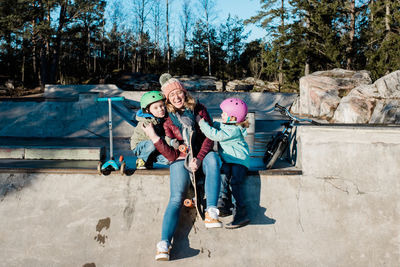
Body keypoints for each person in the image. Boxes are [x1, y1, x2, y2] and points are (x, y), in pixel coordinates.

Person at [141, 74, 222, 261]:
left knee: (213, 160)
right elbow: (170, 154)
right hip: (181, 158)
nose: (177, 97)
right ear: (167, 99)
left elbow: (209, 136)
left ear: (184, 93)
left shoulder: (199, 109)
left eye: (179, 93)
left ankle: (211, 211)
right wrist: (155, 138)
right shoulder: (167, 119)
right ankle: (163, 243)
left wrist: (199, 159)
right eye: (172, 95)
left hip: (203, 153)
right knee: (176, 197)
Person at [196, 97, 251, 229]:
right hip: (229, 161)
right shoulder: (227, 126)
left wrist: (201, 123)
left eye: (224, 114)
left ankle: (241, 212)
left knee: (235, 182)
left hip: (239, 161)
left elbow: (215, 135)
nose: (221, 115)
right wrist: (206, 119)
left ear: (232, 118)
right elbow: (216, 126)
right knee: (223, 175)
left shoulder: (234, 130)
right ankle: (223, 202)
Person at [130, 91, 169, 169]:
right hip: (140, 147)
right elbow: (153, 139)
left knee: (169, 159)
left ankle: (149, 159)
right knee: (152, 144)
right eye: (155, 108)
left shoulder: (160, 119)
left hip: (156, 146)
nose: (160, 109)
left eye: (162, 106)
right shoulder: (146, 122)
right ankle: (142, 160)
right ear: (147, 110)